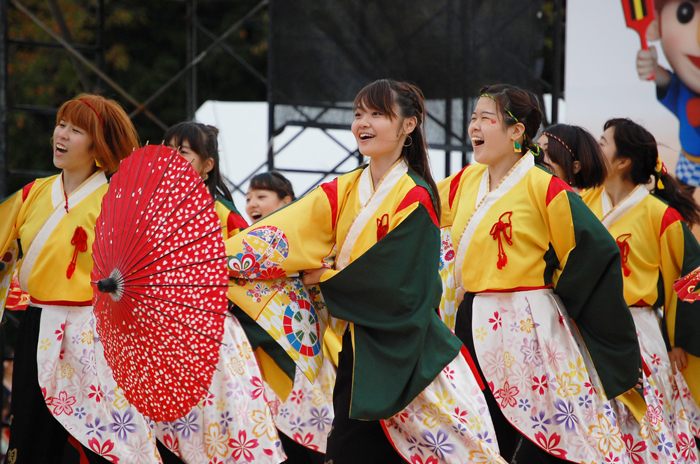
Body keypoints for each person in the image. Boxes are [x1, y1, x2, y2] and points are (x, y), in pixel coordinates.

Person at [226, 79, 505, 463]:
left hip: (408, 353)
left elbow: (402, 286)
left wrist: (325, 280)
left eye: (377, 114)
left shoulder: (416, 196)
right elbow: (282, 233)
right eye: (359, 114)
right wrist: (212, 258)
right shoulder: (345, 189)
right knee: (349, 450)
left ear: (409, 125)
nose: (363, 123)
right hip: (359, 348)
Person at [438, 84, 641, 463]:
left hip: (524, 323)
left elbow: (595, 248)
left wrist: (558, 297)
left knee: (536, 429)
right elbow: (421, 210)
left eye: (486, 118)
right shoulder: (466, 180)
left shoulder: (543, 185)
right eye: (473, 117)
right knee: (472, 426)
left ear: (517, 132)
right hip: (472, 317)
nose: (473, 127)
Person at [0, 94, 162, 463]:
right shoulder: (33, 194)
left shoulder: (120, 198)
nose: (62, 135)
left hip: (95, 329)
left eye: (75, 130)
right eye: (61, 125)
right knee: (30, 429)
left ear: (97, 144)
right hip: (38, 324)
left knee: (101, 436)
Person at [156, 122, 286, 464]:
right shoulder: (152, 209)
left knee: (212, 436)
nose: (171, 158)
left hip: (208, 337)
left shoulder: (226, 215)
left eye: (182, 152)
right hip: (158, 336)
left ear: (207, 165)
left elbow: (250, 278)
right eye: (167, 149)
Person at [581, 118, 700, 458]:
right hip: (587, 329)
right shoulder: (583, 201)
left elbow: (691, 277)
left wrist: (679, 341)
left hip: (639, 333)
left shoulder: (660, 216)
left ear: (623, 161)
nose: (596, 146)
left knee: (644, 428)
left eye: (603, 142)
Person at [536, 124, 607, 192]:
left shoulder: (573, 203)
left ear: (575, 167)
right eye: (537, 149)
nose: (538, 156)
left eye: (548, 151)